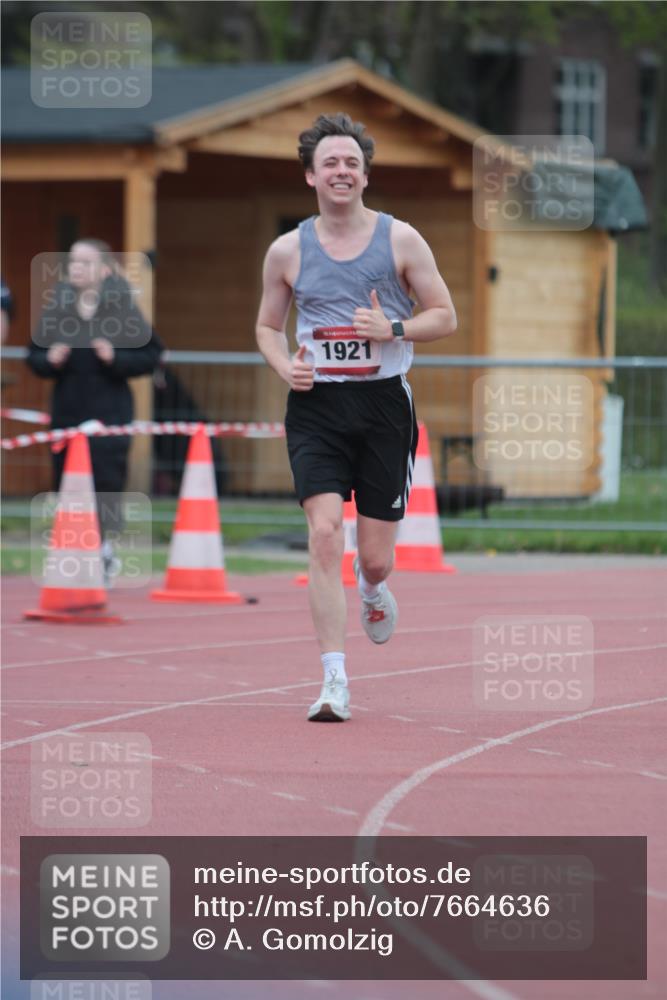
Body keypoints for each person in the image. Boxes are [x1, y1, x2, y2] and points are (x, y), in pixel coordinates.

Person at [256, 112, 457, 722]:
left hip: (383, 405)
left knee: (374, 558)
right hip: (316, 405)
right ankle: (333, 681)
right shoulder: (287, 250)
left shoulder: (401, 240)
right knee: (324, 534)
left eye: (351, 163)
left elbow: (444, 315)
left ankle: (371, 587)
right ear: (311, 176)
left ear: (365, 175)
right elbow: (267, 326)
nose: (341, 171)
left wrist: (392, 327)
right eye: (330, 163)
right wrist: (284, 367)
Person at [26, 238, 163, 583]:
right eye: (72, 262)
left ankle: (102, 551)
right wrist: (49, 359)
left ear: (103, 269)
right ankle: (72, 554)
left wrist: (116, 358)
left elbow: (151, 355)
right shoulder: (59, 308)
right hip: (68, 413)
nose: (76, 268)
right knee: (67, 484)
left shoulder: (121, 309)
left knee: (105, 482)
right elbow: (33, 356)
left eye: (84, 262)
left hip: (109, 415)